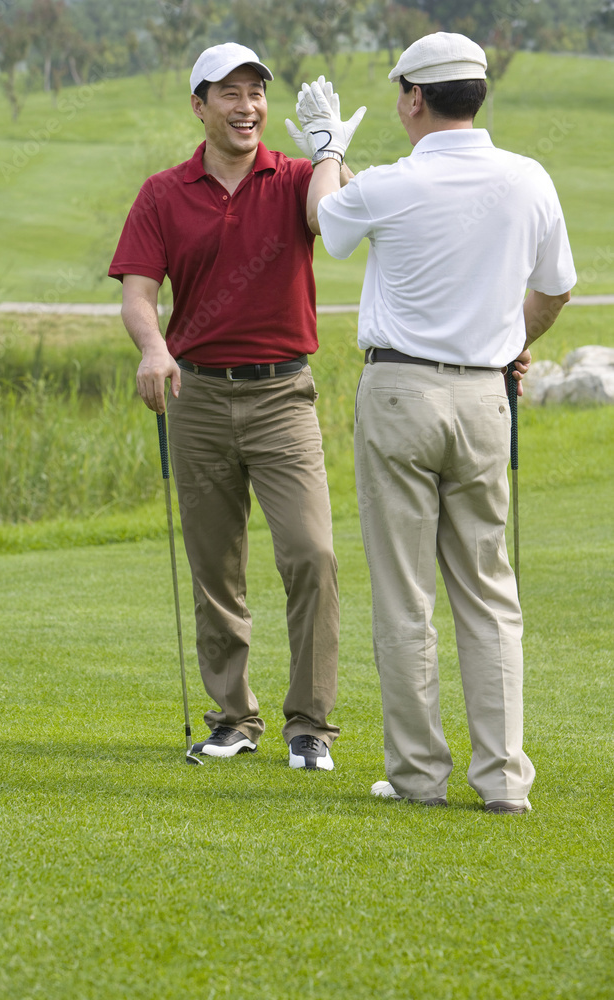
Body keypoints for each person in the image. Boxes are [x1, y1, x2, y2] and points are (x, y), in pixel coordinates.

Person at [286, 32, 576, 809]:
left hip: (400, 396)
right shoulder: (529, 178)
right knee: (487, 590)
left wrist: (322, 147)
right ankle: (503, 780)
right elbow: (554, 290)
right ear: (477, 92)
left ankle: (417, 776)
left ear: (415, 97)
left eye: (397, 93)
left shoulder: (389, 182)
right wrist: (514, 345)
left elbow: (326, 219)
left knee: (404, 592)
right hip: (486, 398)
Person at [109, 43, 361, 770]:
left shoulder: (294, 178)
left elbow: (334, 220)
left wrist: (330, 152)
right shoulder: (163, 192)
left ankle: (309, 724)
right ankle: (232, 719)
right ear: (199, 105)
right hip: (196, 394)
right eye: (230, 93)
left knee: (311, 554)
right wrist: (153, 348)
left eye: (255, 92)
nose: (247, 106)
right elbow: (137, 292)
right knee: (215, 564)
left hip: (283, 392)